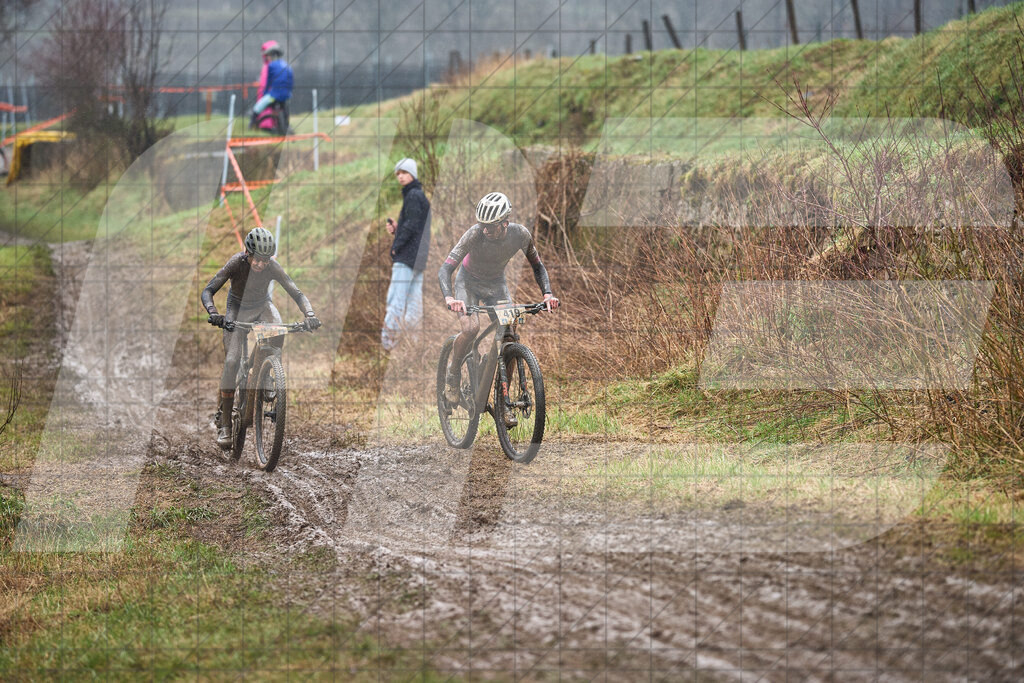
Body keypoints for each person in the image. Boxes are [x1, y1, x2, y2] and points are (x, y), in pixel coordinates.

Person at [202, 226, 321, 449]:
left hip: (262, 306)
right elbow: (208, 290)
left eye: (265, 260)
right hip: (236, 309)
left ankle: (266, 372)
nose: (260, 264)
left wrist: (310, 315)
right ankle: (225, 423)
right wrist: (214, 313)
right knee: (231, 361)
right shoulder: (236, 263)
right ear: (248, 254)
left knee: (278, 328)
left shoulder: (272, 267)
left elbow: (297, 293)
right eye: (257, 259)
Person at [438, 191, 559, 404]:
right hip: (468, 283)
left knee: (509, 336)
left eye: (491, 226)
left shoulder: (520, 235)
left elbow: (537, 266)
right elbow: (446, 269)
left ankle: (504, 401)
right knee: (471, 328)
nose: (486, 230)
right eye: (482, 224)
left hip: (496, 285)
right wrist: (449, 298)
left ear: (505, 223)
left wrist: (547, 294)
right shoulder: (474, 234)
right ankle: (453, 373)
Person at [382, 158, 431, 351]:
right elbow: (415, 225)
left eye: (404, 172)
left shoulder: (412, 196)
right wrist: (397, 228)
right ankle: (413, 347)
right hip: (418, 259)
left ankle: (387, 345)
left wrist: (396, 246)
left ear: (412, 174)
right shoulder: (419, 196)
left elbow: (411, 226)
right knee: (413, 304)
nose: (400, 176)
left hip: (406, 258)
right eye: (398, 173)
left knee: (395, 300)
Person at [250, 40, 293, 134]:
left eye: (268, 55)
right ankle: (287, 125)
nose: (267, 57)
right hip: (286, 95)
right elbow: (290, 81)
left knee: (257, 108)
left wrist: (265, 93)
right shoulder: (287, 65)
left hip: (274, 95)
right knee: (284, 109)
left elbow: (268, 82)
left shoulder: (271, 65)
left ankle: (251, 126)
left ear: (273, 55)